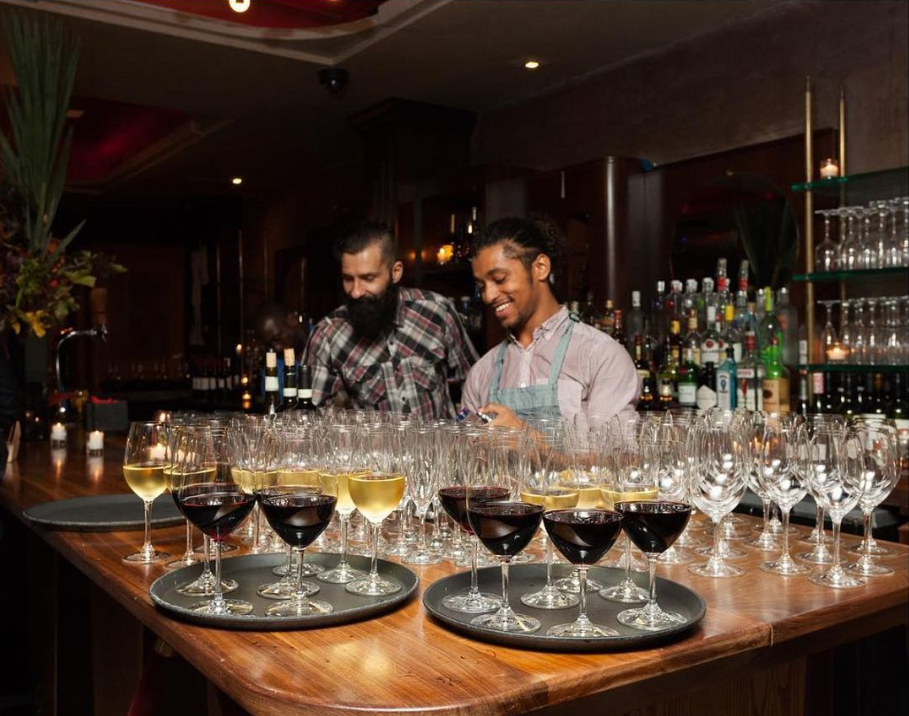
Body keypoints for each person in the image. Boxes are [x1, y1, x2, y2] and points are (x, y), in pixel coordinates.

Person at [461, 217, 639, 428]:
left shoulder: (601, 356)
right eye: (482, 286)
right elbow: (465, 456)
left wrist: (525, 439)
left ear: (541, 267)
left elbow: (617, 459)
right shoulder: (481, 373)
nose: (488, 296)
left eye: (500, 279)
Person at [304, 222, 478, 419]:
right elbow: (313, 422)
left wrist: (464, 429)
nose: (356, 291)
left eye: (368, 278)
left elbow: (476, 385)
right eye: (348, 279)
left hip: (440, 449)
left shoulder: (437, 312)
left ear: (395, 272)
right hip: (371, 450)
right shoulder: (327, 335)